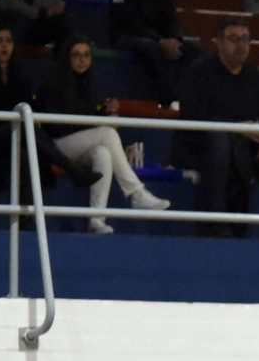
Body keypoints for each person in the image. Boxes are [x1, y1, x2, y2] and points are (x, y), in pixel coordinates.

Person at [172, 18, 259, 239]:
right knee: (219, 141)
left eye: (245, 40)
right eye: (234, 39)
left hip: (245, 144)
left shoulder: (253, 75)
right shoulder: (199, 72)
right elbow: (193, 115)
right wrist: (234, 127)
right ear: (218, 42)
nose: (241, 45)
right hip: (201, 144)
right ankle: (214, 224)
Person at [36, 37, 170, 234]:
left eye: (86, 55)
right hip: (55, 146)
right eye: (76, 55)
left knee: (102, 154)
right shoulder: (54, 81)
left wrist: (106, 112)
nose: (82, 60)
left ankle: (96, 220)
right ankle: (136, 193)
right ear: (67, 57)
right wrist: (98, 119)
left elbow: (88, 116)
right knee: (106, 134)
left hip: (82, 142)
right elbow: (59, 124)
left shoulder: (89, 82)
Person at [0, 24, 97, 202]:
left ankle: (26, 220)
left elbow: (29, 106)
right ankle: (70, 167)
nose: (4, 46)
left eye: (8, 41)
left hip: (16, 140)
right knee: (19, 127)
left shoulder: (20, 76)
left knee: (25, 153)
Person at [108, 0, 197, 106]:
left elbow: (170, 16)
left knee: (193, 49)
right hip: (125, 34)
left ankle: (190, 100)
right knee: (151, 48)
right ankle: (168, 99)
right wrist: (160, 41)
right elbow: (127, 20)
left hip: (157, 36)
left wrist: (175, 39)